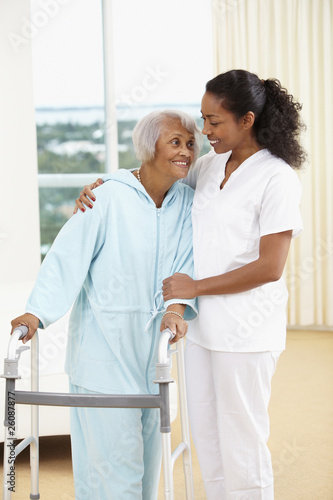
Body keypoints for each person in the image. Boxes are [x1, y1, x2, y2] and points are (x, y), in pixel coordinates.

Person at [74, 70, 305, 500]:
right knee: (207, 440)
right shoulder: (207, 166)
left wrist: (193, 288)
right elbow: (156, 177)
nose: (205, 131)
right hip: (200, 331)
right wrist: (103, 186)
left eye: (214, 122)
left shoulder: (277, 178)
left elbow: (271, 266)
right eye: (203, 119)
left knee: (243, 440)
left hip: (247, 332)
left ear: (247, 120)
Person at [11, 110, 203, 500]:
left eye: (189, 143)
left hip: (153, 352)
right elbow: (68, 256)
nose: (185, 151)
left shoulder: (188, 202)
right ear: (149, 148)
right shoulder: (107, 196)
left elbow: (188, 261)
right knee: (113, 465)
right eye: (175, 142)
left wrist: (177, 307)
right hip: (104, 351)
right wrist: (38, 311)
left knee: (149, 463)